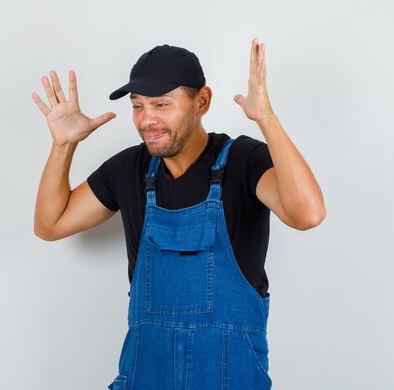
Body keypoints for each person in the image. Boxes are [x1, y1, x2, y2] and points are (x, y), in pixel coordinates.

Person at [31, 39, 325, 390]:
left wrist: (266, 119)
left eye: (161, 104)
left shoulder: (244, 160)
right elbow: (50, 224)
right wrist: (64, 145)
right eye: (137, 106)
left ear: (202, 102)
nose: (146, 119)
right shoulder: (130, 168)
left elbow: (307, 214)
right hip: (144, 378)